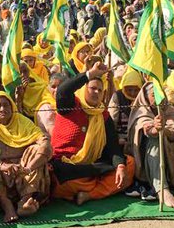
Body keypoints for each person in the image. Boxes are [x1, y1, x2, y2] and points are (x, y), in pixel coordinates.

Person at [50, 62, 135, 204]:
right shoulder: (70, 105)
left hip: (92, 166)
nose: (96, 92)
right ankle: (95, 188)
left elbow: (112, 147)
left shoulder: (103, 115)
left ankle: (89, 195)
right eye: (93, 88)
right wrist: (90, 73)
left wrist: (120, 166)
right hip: (68, 168)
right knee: (68, 182)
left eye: (100, 90)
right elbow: (62, 91)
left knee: (129, 164)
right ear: (84, 88)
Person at [0, 92, 52, 222]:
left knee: (36, 149)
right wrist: (1, 165)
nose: (2, 109)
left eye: (6, 105)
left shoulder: (22, 122)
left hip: (23, 174)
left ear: (12, 107)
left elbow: (44, 141)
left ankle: (25, 201)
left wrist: (29, 168)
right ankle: (6, 205)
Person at [126, 82, 174, 207]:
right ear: (145, 97)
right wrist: (155, 129)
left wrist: (166, 131)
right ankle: (162, 190)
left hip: (172, 159)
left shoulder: (169, 109)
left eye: (160, 95)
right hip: (145, 161)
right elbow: (146, 128)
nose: (157, 98)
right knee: (155, 139)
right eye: (153, 95)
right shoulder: (140, 111)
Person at [108, 67, 143, 144]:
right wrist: (115, 139)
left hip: (139, 138)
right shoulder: (118, 96)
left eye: (136, 90)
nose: (133, 93)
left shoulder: (143, 98)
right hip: (120, 138)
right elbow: (112, 120)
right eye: (129, 90)